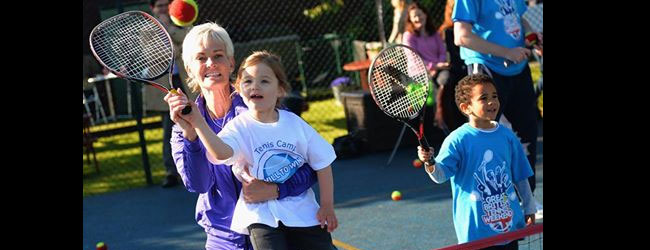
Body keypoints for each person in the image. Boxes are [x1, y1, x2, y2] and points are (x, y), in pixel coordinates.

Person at [164, 22, 322, 250]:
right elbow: (199, 184)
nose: (210, 64)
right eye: (200, 58)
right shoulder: (183, 126)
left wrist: (276, 190)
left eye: (218, 55)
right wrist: (190, 134)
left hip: (279, 229)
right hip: (224, 237)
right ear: (189, 68)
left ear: (230, 63)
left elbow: (312, 166)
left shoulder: (262, 109)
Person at [417, 74, 535, 248]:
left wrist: (529, 206)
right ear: (466, 107)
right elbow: (440, 175)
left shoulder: (507, 136)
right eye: (484, 98)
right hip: (476, 232)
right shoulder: (457, 140)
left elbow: (520, 176)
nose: (492, 102)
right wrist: (430, 163)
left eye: (494, 96)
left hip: (508, 227)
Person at [452, 0, 542, 193]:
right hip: (486, 69)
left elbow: (520, 19)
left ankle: (525, 199)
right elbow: (461, 36)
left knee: (527, 133)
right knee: (488, 137)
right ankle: (494, 198)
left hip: (518, 68)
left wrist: (533, 40)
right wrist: (507, 52)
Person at [148, 0, 197, 188]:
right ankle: (171, 171)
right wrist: (173, 48)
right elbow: (153, 55)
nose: (162, 9)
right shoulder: (147, 29)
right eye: (158, 6)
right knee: (170, 127)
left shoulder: (182, 24)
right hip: (165, 86)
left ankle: (198, 163)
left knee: (197, 120)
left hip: (185, 82)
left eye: (165, 5)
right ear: (152, 8)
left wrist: (169, 29)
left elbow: (188, 46)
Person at [433, 0, 468, 134]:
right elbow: (448, 56)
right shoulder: (446, 31)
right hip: (454, 70)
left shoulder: (473, 28)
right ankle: (443, 119)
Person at [402, 1, 450, 86]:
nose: (417, 19)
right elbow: (415, 59)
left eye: (419, 15)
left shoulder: (434, 33)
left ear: (425, 15)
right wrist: (433, 67)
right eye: (414, 17)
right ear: (410, 20)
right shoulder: (408, 36)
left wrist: (438, 65)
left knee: (447, 78)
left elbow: (442, 52)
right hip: (418, 73)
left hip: (438, 70)